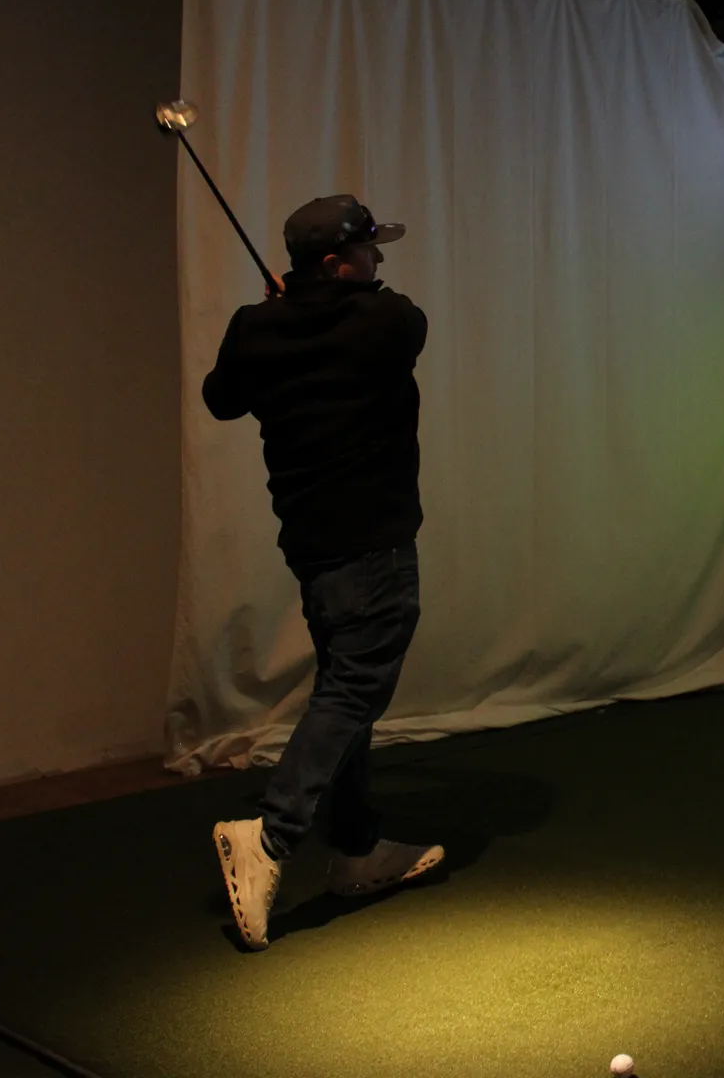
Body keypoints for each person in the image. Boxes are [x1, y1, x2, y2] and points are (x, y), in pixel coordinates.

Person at [200, 193, 443, 950]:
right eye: (369, 250)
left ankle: (358, 847)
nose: (379, 260)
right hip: (373, 542)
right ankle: (270, 835)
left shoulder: (256, 328)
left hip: (309, 540)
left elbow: (221, 399)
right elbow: (410, 322)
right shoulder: (381, 320)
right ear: (339, 265)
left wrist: (286, 312)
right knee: (355, 688)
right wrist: (311, 306)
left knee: (345, 687)